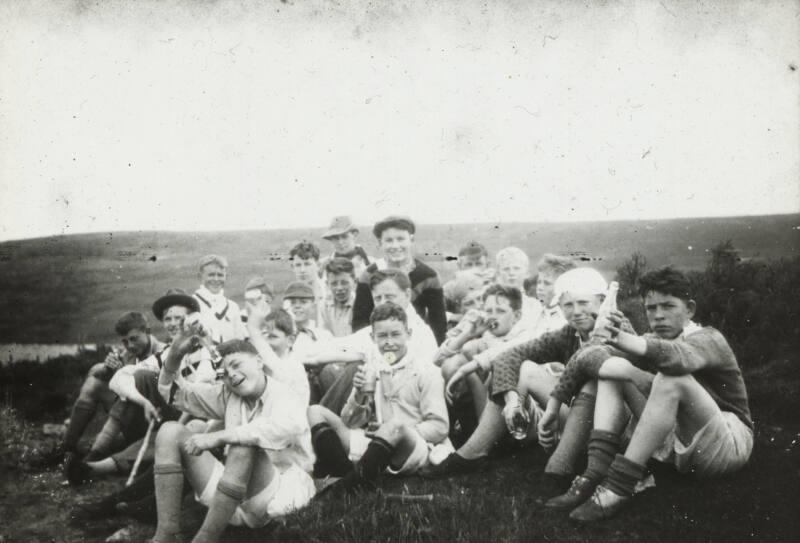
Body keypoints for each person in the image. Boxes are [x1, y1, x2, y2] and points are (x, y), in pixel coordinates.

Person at [550, 267, 754, 521]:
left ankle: (619, 487)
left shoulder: (709, 338)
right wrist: (621, 366)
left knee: (671, 379)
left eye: (668, 306)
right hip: (680, 446)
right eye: (651, 308)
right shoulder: (649, 338)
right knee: (612, 373)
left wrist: (621, 344)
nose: (658, 316)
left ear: (689, 309)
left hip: (726, 444)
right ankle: (596, 471)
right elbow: (588, 357)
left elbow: (676, 359)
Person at [424, 268, 609, 478]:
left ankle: (473, 452)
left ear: (602, 301)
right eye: (568, 304)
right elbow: (510, 355)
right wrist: (512, 400)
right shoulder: (568, 333)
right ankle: (474, 451)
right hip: (573, 412)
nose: (575, 311)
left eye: (583, 303)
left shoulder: (615, 327)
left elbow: (587, 364)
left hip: (603, 422)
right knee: (522, 366)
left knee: (528, 371)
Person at [149, 337, 315, 542]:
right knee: (170, 431)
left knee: (244, 444)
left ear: (259, 362)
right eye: (225, 374)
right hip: (231, 494)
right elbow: (176, 395)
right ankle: (167, 534)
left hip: (278, 494)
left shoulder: (285, 393)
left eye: (236, 365)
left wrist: (219, 437)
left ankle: (205, 539)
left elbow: (279, 430)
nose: (232, 376)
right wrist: (175, 354)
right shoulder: (230, 394)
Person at [66, 290, 216, 485]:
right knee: (141, 376)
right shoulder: (165, 353)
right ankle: (92, 458)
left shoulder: (206, 349)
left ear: (193, 320)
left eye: (178, 318)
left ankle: (96, 466)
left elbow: (201, 397)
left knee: (169, 432)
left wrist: (176, 426)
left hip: (203, 421)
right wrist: (143, 402)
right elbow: (119, 378)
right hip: (174, 415)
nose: (172, 323)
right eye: (167, 318)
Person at [307, 303, 451, 491]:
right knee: (315, 411)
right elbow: (350, 422)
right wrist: (358, 395)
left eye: (396, 334)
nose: (389, 342)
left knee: (394, 427)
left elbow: (439, 428)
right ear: (372, 338)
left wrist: (394, 432)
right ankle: (343, 473)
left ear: (409, 334)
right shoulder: (372, 368)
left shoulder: (427, 371)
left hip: (414, 447)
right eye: (382, 336)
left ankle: (347, 487)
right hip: (377, 444)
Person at [302, 269, 439, 415]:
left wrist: (317, 359)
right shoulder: (382, 325)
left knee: (356, 368)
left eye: (389, 297)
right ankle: (317, 419)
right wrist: (308, 358)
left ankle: (318, 422)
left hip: (406, 404)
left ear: (407, 295)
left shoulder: (417, 331)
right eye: (377, 298)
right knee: (325, 370)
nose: (383, 303)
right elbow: (342, 344)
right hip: (380, 395)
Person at [44, 312, 165, 472]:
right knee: (94, 384)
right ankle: (67, 448)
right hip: (130, 416)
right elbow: (95, 374)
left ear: (148, 331)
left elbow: (158, 393)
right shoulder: (129, 353)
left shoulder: (163, 351)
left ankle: (91, 458)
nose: (130, 346)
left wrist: (124, 376)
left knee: (125, 396)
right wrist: (108, 368)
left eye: (133, 339)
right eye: (125, 342)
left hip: (152, 419)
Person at [352, 216, 447, 345]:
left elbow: (438, 323)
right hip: (378, 343)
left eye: (401, 239)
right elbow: (360, 321)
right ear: (380, 243)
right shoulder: (369, 275)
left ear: (411, 240)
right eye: (389, 240)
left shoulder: (428, 276)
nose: (395, 246)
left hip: (415, 340)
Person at [245, 306, 310, 404]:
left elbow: (273, 364)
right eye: (264, 335)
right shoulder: (262, 363)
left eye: (272, 336)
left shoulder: (292, 365)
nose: (266, 342)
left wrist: (253, 329)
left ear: (290, 341)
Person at [193, 254, 246, 342]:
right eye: (211, 275)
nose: (216, 279)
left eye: (220, 275)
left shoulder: (233, 307)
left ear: (226, 277)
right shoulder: (192, 303)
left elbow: (240, 340)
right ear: (200, 277)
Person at [320, 257, 357, 338]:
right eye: (334, 283)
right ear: (327, 284)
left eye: (344, 283)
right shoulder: (324, 306)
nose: (339, 288)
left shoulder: (360, 305)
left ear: (354, 282)